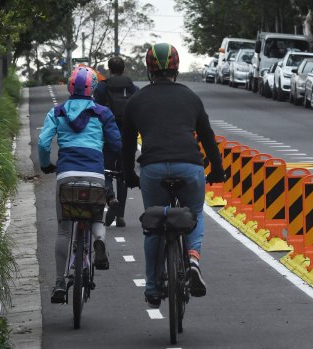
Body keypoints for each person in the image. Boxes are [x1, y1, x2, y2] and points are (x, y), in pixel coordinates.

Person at [122, 43, 225, 307]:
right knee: (195, 213)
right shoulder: (190, 97)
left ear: (149, 70)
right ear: (177, 69)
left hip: (153, 168)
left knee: (155, 224)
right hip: (189, 166)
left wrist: (128, 174)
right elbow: (208, 138)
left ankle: (154, 288)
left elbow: (127, 145)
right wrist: (218, 170)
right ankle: (192, 259)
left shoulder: (137, 100)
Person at [38, 66, 122, 303]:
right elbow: (116, 144)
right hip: (95, 176)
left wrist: (46, 165)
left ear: (69, 86)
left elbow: (44, 144)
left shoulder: (58, 112)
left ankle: (59, 283)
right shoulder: (102, 113)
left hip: (66, 176)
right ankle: (99, 242)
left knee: (64, 229)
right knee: (96, 217)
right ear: (93, 88)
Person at [94, 56, 139, 227]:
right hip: (128, 137)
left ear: (109, 69)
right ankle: (121, 216)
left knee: (104, 170)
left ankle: (110, 197)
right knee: (124, 173)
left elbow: (96, 110)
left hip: (106, 135)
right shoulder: (132, 87)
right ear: (124, 69)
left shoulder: (102, 87)